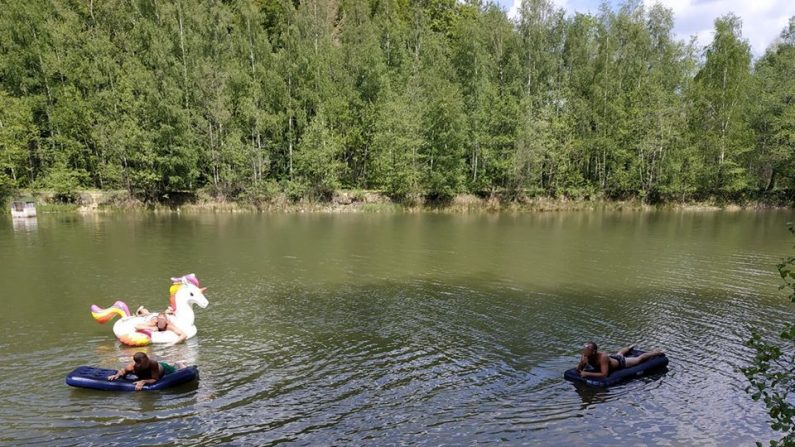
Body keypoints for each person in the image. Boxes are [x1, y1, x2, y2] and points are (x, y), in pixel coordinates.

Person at [576, 341, 664, 378]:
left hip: (621, 363)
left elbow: (604, 374)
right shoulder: (585, 356)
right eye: (584, 350)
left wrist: (587, 373)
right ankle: (629, 347)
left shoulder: (603, 357)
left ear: (594, 352)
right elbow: (579, 370)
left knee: (638, 359)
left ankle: (656, 352)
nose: (584, 351)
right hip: (613, 359)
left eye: (586, 350)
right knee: (619, 353)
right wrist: (581, 363)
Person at [107, 352, 184, 391]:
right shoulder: (132, 367)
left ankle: (179, 363)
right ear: (138, 364)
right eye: (145, 363)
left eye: (147, 361)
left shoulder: (153, 363)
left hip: (164, 369)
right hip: (152, 372)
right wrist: (117, 375)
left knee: (179, 370)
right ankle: (177, 363)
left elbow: (155, 379)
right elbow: (123, 371)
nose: (147, 364)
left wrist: (143, 381)